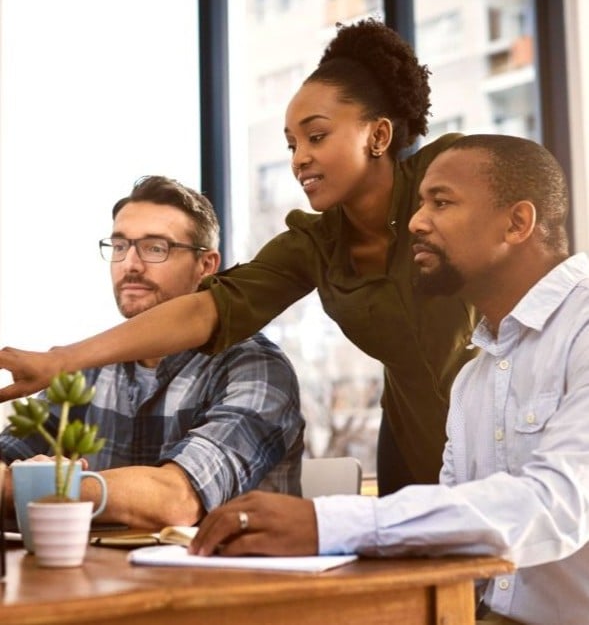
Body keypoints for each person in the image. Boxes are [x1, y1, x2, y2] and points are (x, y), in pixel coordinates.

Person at [0, 17, 477, 495]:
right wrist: (60, 361)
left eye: (316, 136)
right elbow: (208, 309)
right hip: (415, 440)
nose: (298, 159)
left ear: (378, 136)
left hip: (499, 419)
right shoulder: (313, 244)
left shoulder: (451, 175)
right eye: (291, 144)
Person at [188, 135, 589, 625]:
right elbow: (454, 536)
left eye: (441, 202)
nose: (417, 221)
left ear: (517, 222)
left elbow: (559, 505)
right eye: (420, 203)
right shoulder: (476, 376)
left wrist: (327, 523)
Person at [0, 176, 304, 529]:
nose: (130, 264)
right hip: (102, 565)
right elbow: (8, 454)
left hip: (225, 565)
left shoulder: (256, 367)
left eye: (155, 248)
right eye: (119, 246)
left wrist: (31, 486)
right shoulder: (88, 370)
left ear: (206, 265)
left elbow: (177, 502)